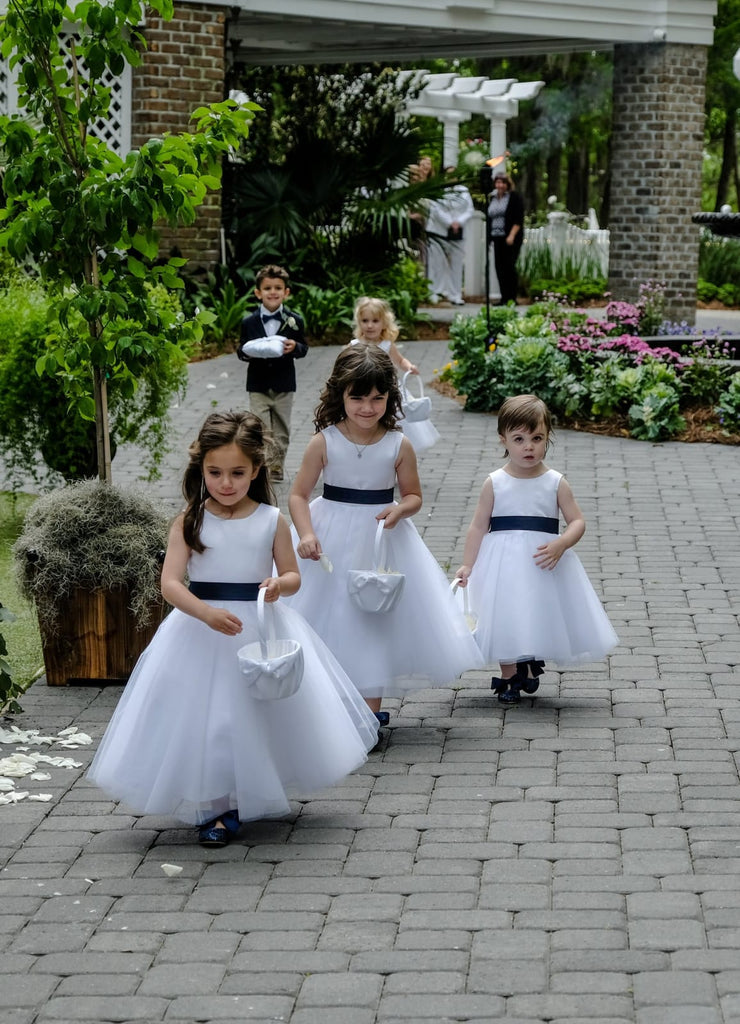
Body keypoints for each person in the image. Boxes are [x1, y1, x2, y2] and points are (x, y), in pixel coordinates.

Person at [87, 411, 378, 847]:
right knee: (212, 716)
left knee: (255, 712)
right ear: (200, 469)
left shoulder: (270, 519)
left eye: (237, 473)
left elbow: (294, 574)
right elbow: (169, 583)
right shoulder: (190, 521)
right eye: (215, 472)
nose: (226, 483)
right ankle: (218, 806)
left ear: (256, 470)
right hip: (201, 634)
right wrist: (203, 613)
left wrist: (280, 584)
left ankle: (248, 791)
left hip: (257, 627)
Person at [288, 345, 482, 735]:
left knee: (373, 621)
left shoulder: (398, 445)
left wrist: (400, 509)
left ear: (390, 399)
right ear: (340, 394)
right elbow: (297, 494)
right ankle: (327, 703)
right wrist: (306, 532)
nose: (367, 407)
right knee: (329, 617)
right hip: (331, 539)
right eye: (357, 397)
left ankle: (368, 713)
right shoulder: (323, 442)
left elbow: (413, 495)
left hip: (381, 540)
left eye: (378, 398)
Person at [455, 394, 618, 705]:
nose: (528, 446)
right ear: (503, 439)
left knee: (534, 611)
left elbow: (577, 521)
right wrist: (468, 565)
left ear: (548, 438)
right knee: (503, 615)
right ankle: (509, 676)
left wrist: (562, 542)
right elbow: (478, 526)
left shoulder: (555, 482)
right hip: (501, 564)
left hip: (542, 561)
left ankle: (528, 659)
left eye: (536, 438)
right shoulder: (494, 482)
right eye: (519, 439)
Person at [237, 264, 307, 481]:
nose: (273, 292)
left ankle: (277, 466)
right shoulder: (249, 322)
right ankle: (263, 466)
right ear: (258, 293)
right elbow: (241, 350)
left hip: (284, 384)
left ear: (286, 292)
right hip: (258, 385)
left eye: (278, 288)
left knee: (282, 430)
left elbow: (304, 348)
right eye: (267, 288)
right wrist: (249, 353)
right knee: (259, 428)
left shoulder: (295, 320)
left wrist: (295, 347)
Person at [348, 296, 440, 453]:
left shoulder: (386, 345)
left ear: (384, 323)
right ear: (359, 322)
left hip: (387, 388)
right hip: (363, 388)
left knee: (394, 419)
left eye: (375, 321)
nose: (369, 325)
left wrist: (409, 366)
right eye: (365, 321)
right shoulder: (355, 345)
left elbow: (399, 360)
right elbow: (346, 365)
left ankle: (393, 448)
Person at [425, 168, 475, 305]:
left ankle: (455, 294)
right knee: (437, 264)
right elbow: (435, 209)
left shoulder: (463, 191)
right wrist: (449, 222)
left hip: (458, 232)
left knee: (456, 264)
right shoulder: (439, 190)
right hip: (440, 231)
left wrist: (458, 222)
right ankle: (434, 292)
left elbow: (469, 209)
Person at [488, 172, 524, 305]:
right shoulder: (492, 198)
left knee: (509, 267)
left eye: (502, 182)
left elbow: (518, 219)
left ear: (507, 184)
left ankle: (512, 298)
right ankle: (504, 297)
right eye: (498, 182)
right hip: (497, 237)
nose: (500, 185)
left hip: (510, 238)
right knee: (499, 267)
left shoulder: (514, 198)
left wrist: (511, 235)